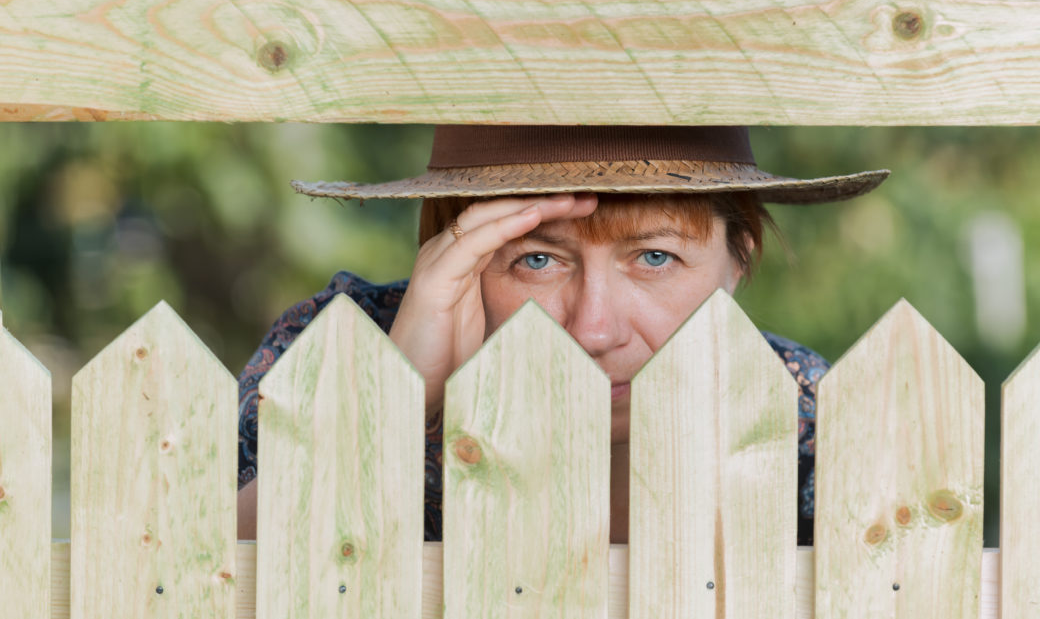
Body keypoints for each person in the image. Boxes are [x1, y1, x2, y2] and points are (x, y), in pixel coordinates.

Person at [235, 125, 888, 544]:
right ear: (451, 254)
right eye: (537, 260)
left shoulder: (807, 423)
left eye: (654, 257)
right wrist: (393, 403)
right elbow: (182, 577)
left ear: (739, 258)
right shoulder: (342, 350)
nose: (594, 329)